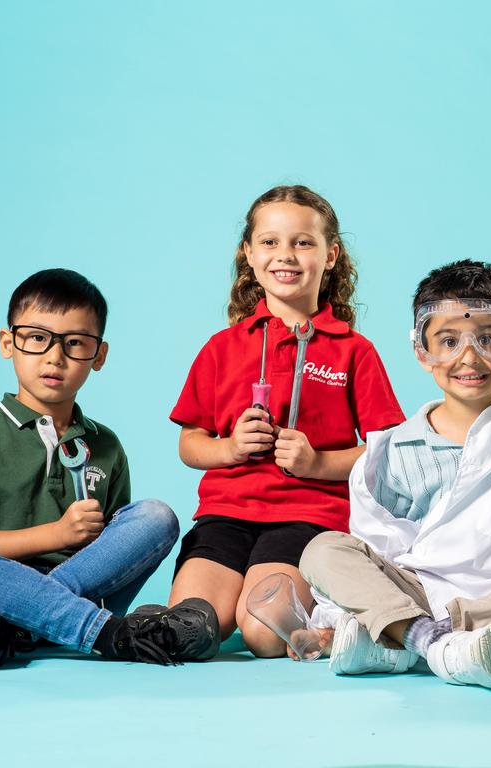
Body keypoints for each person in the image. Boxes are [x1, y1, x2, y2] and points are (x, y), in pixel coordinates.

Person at [300, 259, 491, 690]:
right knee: (323, 549)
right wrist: (346, 614)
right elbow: (375, 552)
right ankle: (431, 642)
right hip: (413, 597)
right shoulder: (390, 450)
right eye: (448, 341)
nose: (469, 357)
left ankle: (408, 644)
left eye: (487, 338)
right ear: (421, 351)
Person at [0, 268, 219, 671]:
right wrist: (56, 534)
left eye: (75, 344)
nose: (55, 357)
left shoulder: (105, 445)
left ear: (98, 355)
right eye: (37, 338)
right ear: (7, 343)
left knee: (156, 516)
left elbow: (113, 550)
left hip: (81, 587)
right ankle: (106, 633)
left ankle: (13, 627)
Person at [169, 185, 405, 657]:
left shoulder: (353, 351)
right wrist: (230, 448)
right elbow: (191, 443)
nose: (286, 255)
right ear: (249, 255)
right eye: (270, 242)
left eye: (303, 242)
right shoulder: (222, 346)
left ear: (331, 254)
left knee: (261, 632)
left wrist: (317, 462)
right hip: (225, 515)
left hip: (308, 517)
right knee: (193, 625)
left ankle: (332, 628)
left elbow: (388, 452)